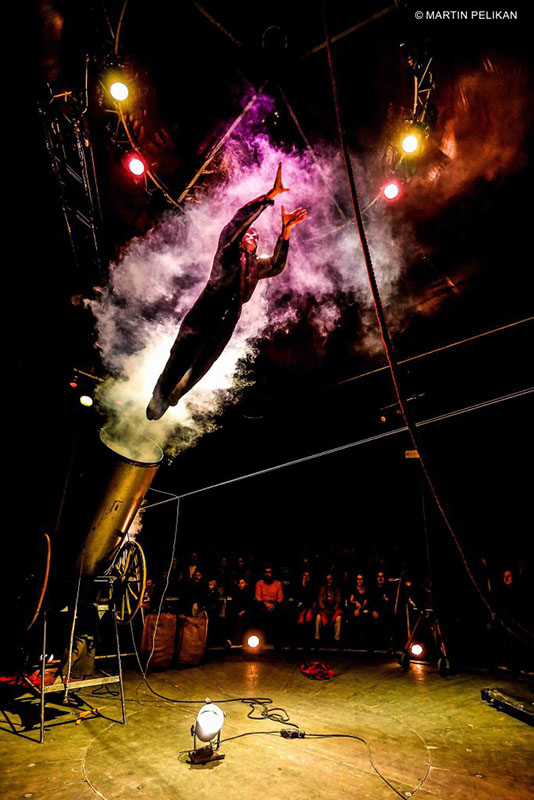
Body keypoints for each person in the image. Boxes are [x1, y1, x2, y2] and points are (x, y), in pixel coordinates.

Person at [147, 163, 308, 419]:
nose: (252, 236)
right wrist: (269, 196)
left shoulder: (256, 265)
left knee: (204, 363)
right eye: (249, 234)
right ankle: (159, 397)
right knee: (181, 357)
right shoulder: (228, 252)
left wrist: (286, 231)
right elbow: (237, 224)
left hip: (229, 318)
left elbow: (277, 265)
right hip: (207, 309)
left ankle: (175, 395)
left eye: (256, 236)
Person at [315, 573, 343, 644]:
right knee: (318, 617)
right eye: (327, 579)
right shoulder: (322, 589)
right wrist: (324, 610)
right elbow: (320, 601)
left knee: (338, 618)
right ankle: (317, 638)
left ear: (332, 580)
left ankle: (337, 639)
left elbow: (338, 601)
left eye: (330, 579)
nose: (329, 581)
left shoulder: (336, 589)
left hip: (334, 611)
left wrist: (333, 610)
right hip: (324, 611)